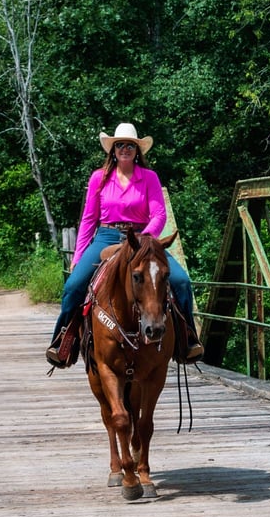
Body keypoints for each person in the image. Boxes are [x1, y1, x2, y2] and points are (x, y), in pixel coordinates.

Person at [46, 122, 204, 368]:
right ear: (113, 150)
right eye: (119, 145)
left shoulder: (149, 177)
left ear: (137, 150)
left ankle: (187, 341)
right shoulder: (99, 177)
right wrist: (78, 256)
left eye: (130, 145)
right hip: (107, 237)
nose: (124, 149)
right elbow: (89, 219)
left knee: (182, 282)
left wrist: (143, 241)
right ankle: (64, 342)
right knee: (75, 285)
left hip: (142, 237)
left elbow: (159, 215)